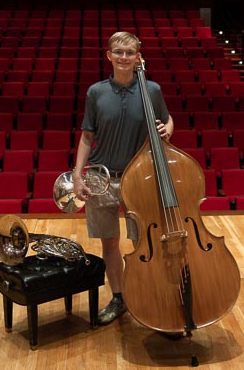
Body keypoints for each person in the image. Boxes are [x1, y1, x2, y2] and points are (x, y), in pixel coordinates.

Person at [72, 31, 174, 325]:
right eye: (118, 52)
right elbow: (87, 137)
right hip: (102, 178)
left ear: (138, 56)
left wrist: (168, 128)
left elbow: (167, 119)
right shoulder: (96, 92)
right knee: (110, 243)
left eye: (130, 52)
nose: (124, 57)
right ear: (109, 55)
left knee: (143, 241)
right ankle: (118, 298)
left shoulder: (151, 89)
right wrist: (78, 175)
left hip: (140, 178)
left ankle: (146, 294)